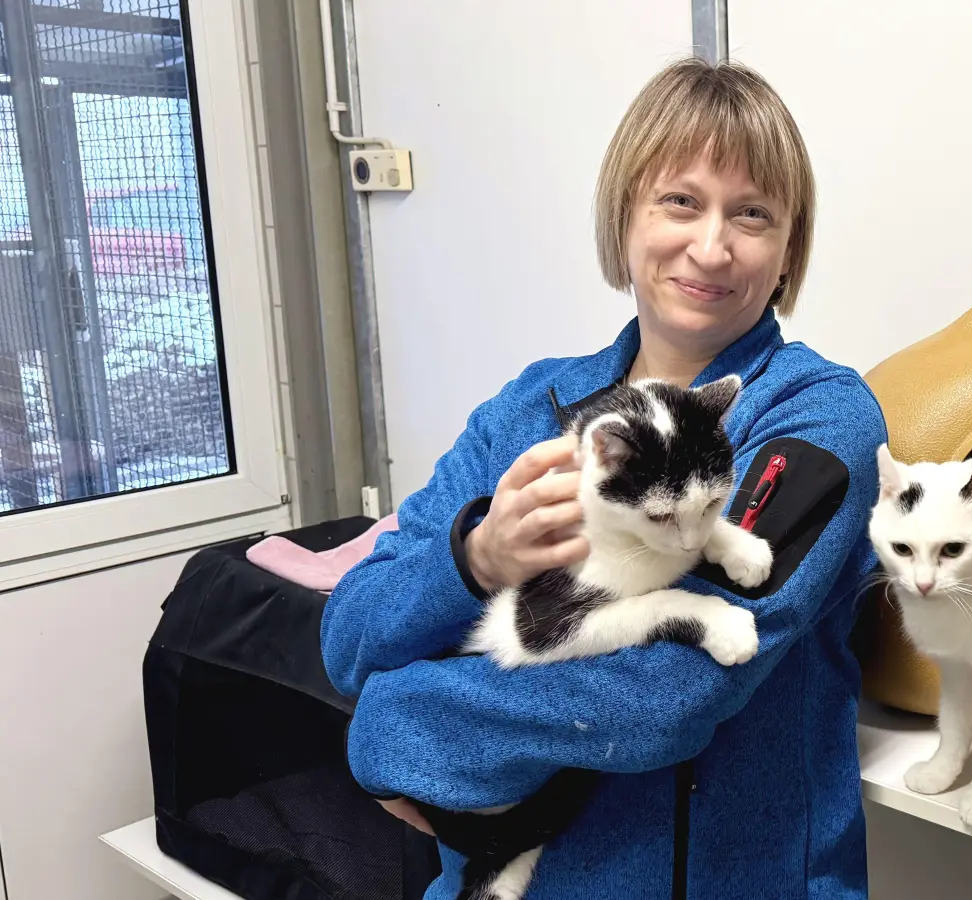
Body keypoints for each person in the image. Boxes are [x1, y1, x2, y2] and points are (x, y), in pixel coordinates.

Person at [321, 56, 886, 900]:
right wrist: (474, 561)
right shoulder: (528, 409)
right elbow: (349, 638)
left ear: (787, 249)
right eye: (680, 201)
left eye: (753, 214)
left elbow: (668, 695)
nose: (712, 245)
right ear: (624, 216)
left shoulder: (815, 419)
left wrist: (391, 729)